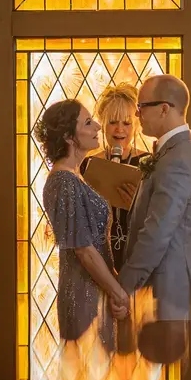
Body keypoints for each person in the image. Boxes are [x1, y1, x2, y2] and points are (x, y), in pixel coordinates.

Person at [118, 75, 191, 336]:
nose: (137, 115)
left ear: (164, 108)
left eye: (141, 107)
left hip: (171, 293)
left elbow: (157, 233)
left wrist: (122, 286)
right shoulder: (175, 152)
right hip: (169, 292)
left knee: (172, 375)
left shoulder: (179, 158)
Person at [37, 98, 130, 342]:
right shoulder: (63, 181)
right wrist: (118, 292)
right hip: (83, 291)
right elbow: (83, 249)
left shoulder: (76, 176)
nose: (98, 127)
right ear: (69, 136)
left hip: (96, 287)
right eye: (88, 122)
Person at [81, 82, 145, 272]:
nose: (120, 130)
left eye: (126, 123)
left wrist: (139, 204)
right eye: (113, 122)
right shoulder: (88, 163)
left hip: (137, 257)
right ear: (102, 123)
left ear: (136, 126)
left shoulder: (148, 163)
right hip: (97, 257)